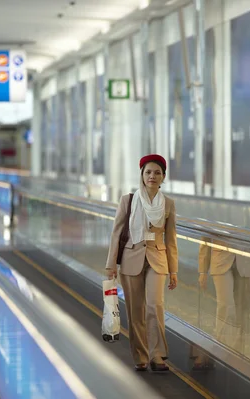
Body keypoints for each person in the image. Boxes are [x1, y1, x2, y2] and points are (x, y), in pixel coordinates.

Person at [105, 154, 178, 373]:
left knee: (155, 306)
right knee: (136, 310)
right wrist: (110, 266)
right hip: (131, 258)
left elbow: (171, 240)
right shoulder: (128, 200)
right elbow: (116, 233)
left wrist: (174, 270)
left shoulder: (169, 204)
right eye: (148, 172)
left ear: (163, 177)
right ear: (142, 175)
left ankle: (157, 355)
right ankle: (140, 356)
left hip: (157, 259)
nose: (152, 176)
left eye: (157, 173)